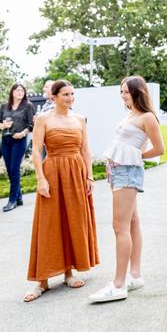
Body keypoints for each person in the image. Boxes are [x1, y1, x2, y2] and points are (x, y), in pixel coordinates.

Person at [89, 75, 164, 302]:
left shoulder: (147, 117)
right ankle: (134, 276)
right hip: (119, 172)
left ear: (137, 92)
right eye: (121, 91)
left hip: (128, 172)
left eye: (126, 91)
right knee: (131, 224)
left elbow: (159, 148)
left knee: (119, 227)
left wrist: (135, 155)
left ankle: (119, 284)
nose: (123, 95)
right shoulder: (131, 115)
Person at [24, 79, 99, 302]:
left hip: (76, 173)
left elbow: (85, 149)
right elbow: (36, 151)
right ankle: (42, 280)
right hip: (53, 172)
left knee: (74, 221)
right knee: (49, 223)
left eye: (72, 94)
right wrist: (40, 179)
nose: (70, 98)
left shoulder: (79, 119)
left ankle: (68, 271)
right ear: (53, 97)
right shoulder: (43, 119)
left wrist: (89, 175)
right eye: (65, 94)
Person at [1, 83, 35, 212]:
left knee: (14, 168)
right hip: (5, 139)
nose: (20, 92)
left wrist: (23, 133)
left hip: (19, 140)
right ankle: (19, 197)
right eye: (17, 90)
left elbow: (31, 125)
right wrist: (2, 126)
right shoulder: (4, 106)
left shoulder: (28, 106)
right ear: (12, 92)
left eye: (22, 90)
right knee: (9, 169)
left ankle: (12, 200)